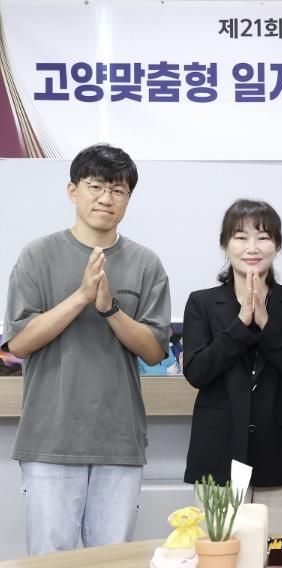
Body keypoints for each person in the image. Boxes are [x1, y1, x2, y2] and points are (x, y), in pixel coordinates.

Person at [1, 143, 171, 555]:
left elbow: (154, 351)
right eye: (95, 186)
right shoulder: (38, 255)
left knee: (113, 559)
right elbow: (18, 344)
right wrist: (80, 297)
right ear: (72, 190)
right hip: (50, 438)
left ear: (128, 198)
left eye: (118, 190)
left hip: (119, 440)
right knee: (50, 559)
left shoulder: (146, 263)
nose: (106, 198)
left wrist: (110, 308)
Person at [182, 199, 282, 533]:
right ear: (225, 245)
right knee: (220, 550)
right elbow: (197, 371)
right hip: (218, 454)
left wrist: (266, 322)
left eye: (263, 237)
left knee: (279, 552)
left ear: (277, 246)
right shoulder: (202, 303)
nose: (252, 247)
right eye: (241, 237)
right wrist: (241, 323)